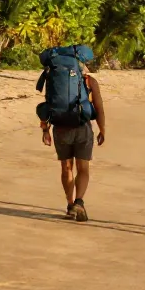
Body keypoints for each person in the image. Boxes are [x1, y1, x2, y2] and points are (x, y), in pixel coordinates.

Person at [41, 67, 106, 221]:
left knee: (66, 168)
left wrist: (45, 130)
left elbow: (47, 106)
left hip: (61, 129)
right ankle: (79, 201)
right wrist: (102, 130)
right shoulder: (89, 81)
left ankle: (70, 205)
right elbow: (99, 108)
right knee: (83, 169)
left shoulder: (55, 80)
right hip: (82, 128)